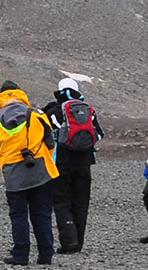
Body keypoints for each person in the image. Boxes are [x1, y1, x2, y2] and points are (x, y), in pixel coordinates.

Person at [0, 81, 59, 266]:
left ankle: (20, 254)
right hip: (40, 169)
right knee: (42, 214)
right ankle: (45, 255)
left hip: (13, 173)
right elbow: (51, 142)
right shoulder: (37, 113)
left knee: (18, 215)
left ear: (2, 96)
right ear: (20, 93)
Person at [42, 77, 103, 254]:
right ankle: (79, 243)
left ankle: (68, 241)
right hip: (85, 163)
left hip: (61, 162)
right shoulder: (88, 111)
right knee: (81, 201)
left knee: (61, 200)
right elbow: (99, 134)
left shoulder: (53, 111)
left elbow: (46, 135)